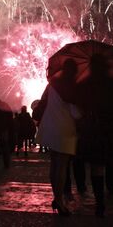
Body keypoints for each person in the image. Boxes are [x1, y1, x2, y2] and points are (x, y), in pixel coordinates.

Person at [76, 55, 113, 218]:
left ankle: (100, 206)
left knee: (96, 168)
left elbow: (80, 107)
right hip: (111, 129)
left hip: (94, 130)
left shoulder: (85, 84)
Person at [35, 59, 79, 216]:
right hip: (64, 129)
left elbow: (44, 102)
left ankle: (56, 197)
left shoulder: (52, 84)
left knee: (54, 166)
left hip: (50, 127)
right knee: (62, 167)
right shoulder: (70, 87)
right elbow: (75, 113)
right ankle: (59, 201)